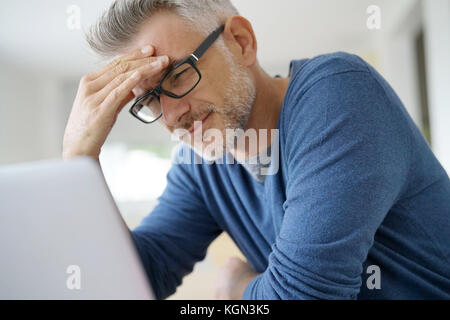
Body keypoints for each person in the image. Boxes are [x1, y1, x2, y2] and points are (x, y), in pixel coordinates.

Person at [62, 0, 450, 299]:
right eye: (149, 100)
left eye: (178, 75)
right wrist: (79, 164)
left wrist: (237, 285)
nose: (171, 117)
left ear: (241, 42)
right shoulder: (200, 162)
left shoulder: (338, 94)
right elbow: (139, 278)